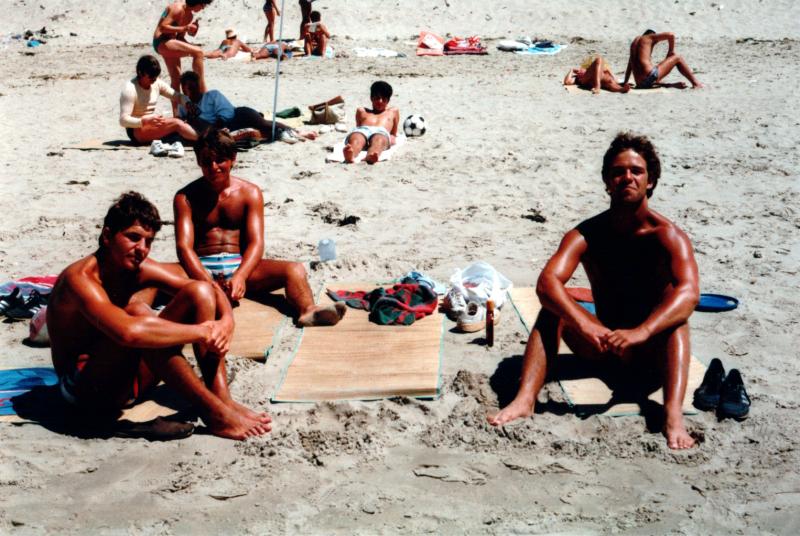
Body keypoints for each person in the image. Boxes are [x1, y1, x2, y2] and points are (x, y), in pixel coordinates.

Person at [488, 133, 700, 450]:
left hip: (651, 352)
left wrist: (642, 331)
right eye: (618, 171)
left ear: (651, 181)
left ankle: (672, 417)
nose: (627, 177)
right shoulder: (587, 234)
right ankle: (524, 400)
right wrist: (585, 324)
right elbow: (547, 283)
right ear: (607, 182)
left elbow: (690, 294)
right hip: (603, 345)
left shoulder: (668, 236)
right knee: (553, 309)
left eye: (636, 171)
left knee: (678, 321)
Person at [47, 191, 272, 440]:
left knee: (198, 292)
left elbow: (209, 288)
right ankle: (215, 414)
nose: (141, 249)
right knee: (138, 315)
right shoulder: (80, 279)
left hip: (129, 381)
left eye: (148, 241)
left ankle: (221, 399)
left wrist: (226, 321)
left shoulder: (137, 267)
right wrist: (203, 332)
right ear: (108, 236)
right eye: (133, 238)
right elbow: (128, 333)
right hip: (84, 390)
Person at [173, 129, 346, 328]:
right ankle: (146, 318)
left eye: (220, 160)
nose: (213, 167)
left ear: (233, 159)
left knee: (294, 269)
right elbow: (184, 248)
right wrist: (207, 282)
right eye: (206, 161)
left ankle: (308, 310)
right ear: (198, 161)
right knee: (151, 274)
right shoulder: (185, 197)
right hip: (199, 266)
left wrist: (240, 276)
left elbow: (256, 243)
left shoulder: (249, 193)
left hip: (239, 265)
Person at [177, 71, 317, 143]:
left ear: (199, 86)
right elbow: (182, 122)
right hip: (213, 129)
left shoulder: (212, 95)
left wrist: (218, 127)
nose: (192, 91)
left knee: (262, 123)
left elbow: (227, 113)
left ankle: (297, 131)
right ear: (183, 89)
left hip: (234, 117)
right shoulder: (184, 105)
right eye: (188, 88)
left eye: (194, 87)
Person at [119, 55, 198, 145]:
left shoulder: (156, 82)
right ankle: (202, 140)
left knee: (183, 121)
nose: (154, 80)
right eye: (151, 77)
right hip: (136, 130)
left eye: (155, 77)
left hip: (151, 124)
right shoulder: (130, 89)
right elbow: (123, 120)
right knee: (177, 123)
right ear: (140, 73)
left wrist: (187, 103)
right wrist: (144, 120)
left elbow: (178, 96)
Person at [152, 0, 212, 114]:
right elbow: (163, 27)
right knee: (198, 53)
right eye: (203, 4)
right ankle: (203, 93)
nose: (203, 8)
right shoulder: (177, 8)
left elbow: (180, 38)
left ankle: (177, 114)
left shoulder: (189, 16)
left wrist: (190, 33)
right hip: (161, 41)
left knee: (176, 78)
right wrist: (185, 28)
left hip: (170, 42)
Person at [623, 30, 704, 89]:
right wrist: (671, 51)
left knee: (653, 70)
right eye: (655, 43)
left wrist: (625, 82)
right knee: (677, 57)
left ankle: (671, 85)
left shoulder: (634, 43)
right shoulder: (649, 37)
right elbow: (671, 35)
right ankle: (696, 83)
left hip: (639, 83)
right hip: (649, 78)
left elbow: (630, 65)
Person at [343, 80, 400, 164]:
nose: (380, 101)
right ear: (371, 98)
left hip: (381, 132)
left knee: (379, 140)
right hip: (362, 130)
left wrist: (393, 137)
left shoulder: (393, 111)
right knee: (357, 138)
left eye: (384, 99)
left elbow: (394, 133)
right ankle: (350, 155)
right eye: (377, 98)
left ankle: (371, 155)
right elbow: (358, 127)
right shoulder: (362, 111)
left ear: (388, 101)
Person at [564, 55, 631, 94]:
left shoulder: (590, 69)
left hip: (598, 78)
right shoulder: (577, 77)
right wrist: (572, 70)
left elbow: (607, 70)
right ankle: (597, 86)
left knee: (610, 81)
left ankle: (621, 89)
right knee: (599, 59)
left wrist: (614, 78)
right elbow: (567, 81)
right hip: (587, 79)